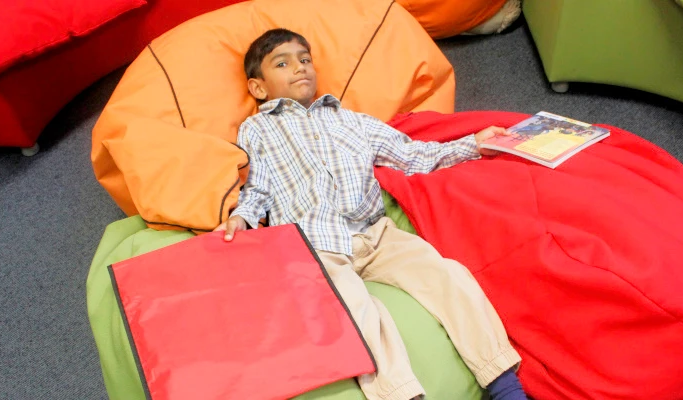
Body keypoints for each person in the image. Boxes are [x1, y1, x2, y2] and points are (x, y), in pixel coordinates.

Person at [214, 28, 527, 400]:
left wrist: (472, 144)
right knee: (358, 312)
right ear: (259, 88)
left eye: (304, 59)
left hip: (376, 234)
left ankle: (505, 387)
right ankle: (404, 395)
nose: (299, 68)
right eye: (282, 63)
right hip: (316, 246)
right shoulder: (259, 128)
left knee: (448, 275)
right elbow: (258, 186)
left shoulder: (351, 120)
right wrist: (242, 218)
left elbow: (413, 155)